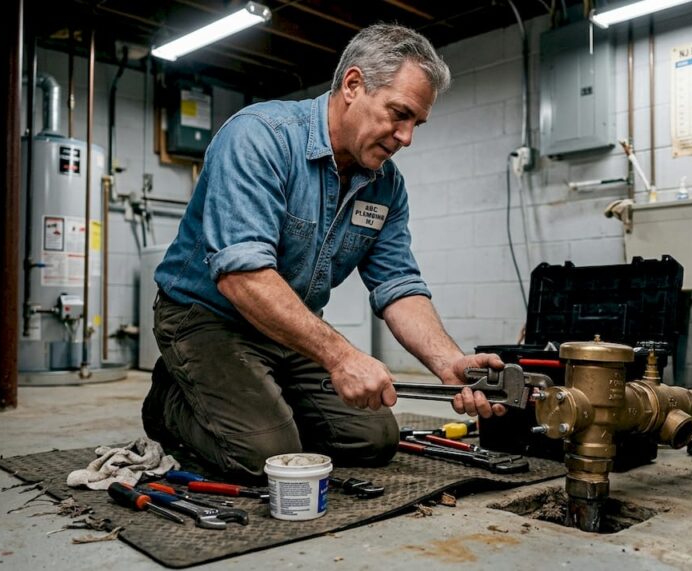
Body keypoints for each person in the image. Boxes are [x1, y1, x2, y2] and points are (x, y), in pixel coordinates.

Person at [144, 23, 504, 480]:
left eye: (417, 123)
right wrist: (341, 357)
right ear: (353, 85)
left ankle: (260, 403)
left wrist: (448, 362)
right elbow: (242, 276)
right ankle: (168, 404)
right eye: (399, 114)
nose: (407, 137)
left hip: (287, 327)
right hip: (205, 317)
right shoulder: (261, 137)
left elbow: (398, 286)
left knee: (373, 441)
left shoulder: (386, 186)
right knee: (265, 459)